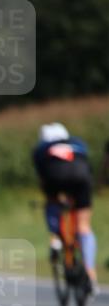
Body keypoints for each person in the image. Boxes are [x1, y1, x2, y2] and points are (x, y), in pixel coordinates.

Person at [32, 122, 98, 293]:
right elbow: (88, 166)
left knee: (52, 203)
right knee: (84, 226)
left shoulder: (41, 148)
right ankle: (90, 273)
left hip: (55, 177)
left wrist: (51, 198)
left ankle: (55, 238)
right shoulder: (78, 143)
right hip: (82, 179)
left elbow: (42, 179)